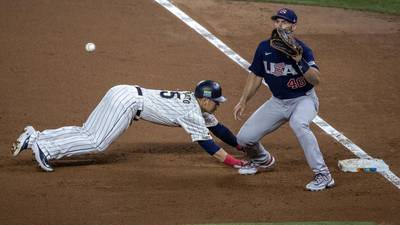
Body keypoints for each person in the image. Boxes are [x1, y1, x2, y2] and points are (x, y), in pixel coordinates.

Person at [11, 80, 246, 172]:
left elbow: (218, 129)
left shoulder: (194, 103)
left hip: (122, 90)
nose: (218, 105)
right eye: (216, 102)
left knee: (87, 130)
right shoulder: (192, 113)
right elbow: (208, 145)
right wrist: (234, 161)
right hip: (129, 103)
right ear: (205, 100)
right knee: (97, 141)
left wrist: (240, 145)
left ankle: (36, 138)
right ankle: (47, 150)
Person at [233, 8, 335, 191]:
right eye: (277, 21)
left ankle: (323, 174)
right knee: (244, 139)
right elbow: (256, 76)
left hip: (303, 100)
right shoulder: (264, 48)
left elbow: (315, 80)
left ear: (293, 26)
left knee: (298, 124)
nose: (280, 25)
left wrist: (299, 60)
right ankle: (262, 161)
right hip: (278, 102)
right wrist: (243, 101)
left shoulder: (303, 49)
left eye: (285, 22)